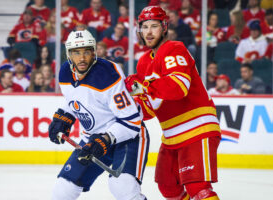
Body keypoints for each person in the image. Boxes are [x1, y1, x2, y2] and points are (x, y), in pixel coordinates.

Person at [125, 6, 221, 200]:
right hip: (171, 135)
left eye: (154, 26)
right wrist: (127, 104)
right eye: (144, 27)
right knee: (168, 186)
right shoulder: (143, 62)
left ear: (164, 27)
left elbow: (178, 88)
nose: (149, 32)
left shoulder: (174, 48)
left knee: (199, 188)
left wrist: (142, 84)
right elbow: (149, 109)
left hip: (198, 127)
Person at [48, 30, 149, 200]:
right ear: (69, 54)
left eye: (86, 52)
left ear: (94, 52)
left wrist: (106, 139)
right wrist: (63, 117)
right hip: (93, 139)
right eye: (76, 52)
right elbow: (75, 98)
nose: (81, 58)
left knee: (122, 187)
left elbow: (132, 122)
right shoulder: (65, 72)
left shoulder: (107, 75)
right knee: (63, 190)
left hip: (128, 137)